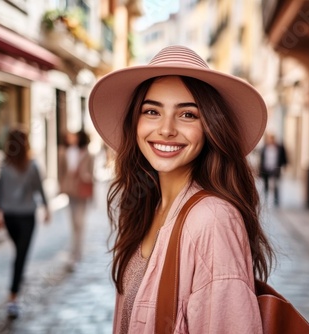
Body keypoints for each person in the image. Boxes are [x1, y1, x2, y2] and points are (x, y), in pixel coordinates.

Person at [89, 45, 275, 333]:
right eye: (152, 111)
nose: (166, 129)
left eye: (187, 115)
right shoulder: (148, 205)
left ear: (211, 127)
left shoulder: (212, 219)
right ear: (135, 122)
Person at [0, 127, 50, 319]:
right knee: (20, 255)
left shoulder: (4, 165)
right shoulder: (31, 165)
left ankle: (17, 283)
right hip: (25, 216)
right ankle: (13, 298)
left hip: (10, 216)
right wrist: (47, 207)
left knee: (19, 253)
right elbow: (39, 189)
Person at [58, 129, 94, 270]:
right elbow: (61, 171)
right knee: (74, 222)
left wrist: (86, 176)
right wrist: (61, 185)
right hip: (70, 190)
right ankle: (75, 249)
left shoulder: (87, 154)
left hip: (83, 191)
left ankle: (77, 251)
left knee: (79, 222)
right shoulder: (65, 152)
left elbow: (91, 173)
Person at [258, 132, 288, 206]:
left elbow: (284, 157)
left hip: (276, 168)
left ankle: (276, 200)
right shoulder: (264, 148)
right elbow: (261, 159)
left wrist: (284, 166)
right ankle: (266, 198)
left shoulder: (279, 148)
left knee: (276, 185)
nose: (271, 140)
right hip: (266, 168)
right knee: (266, 184)